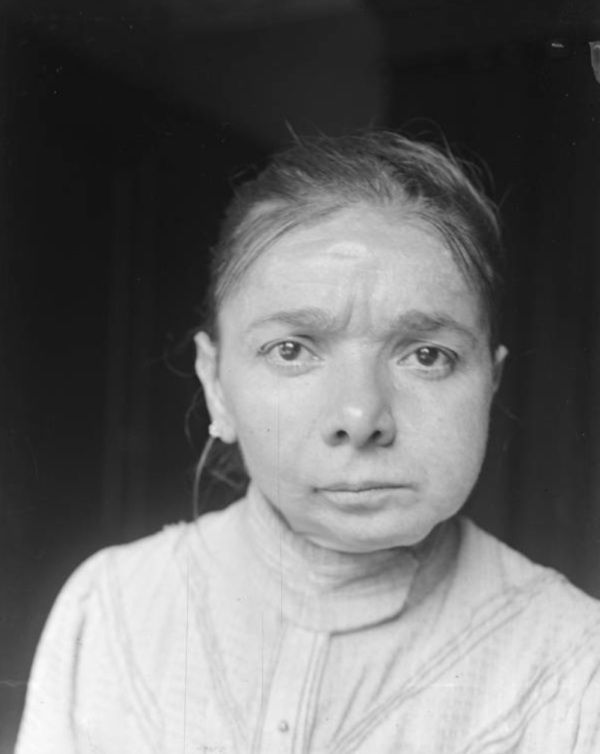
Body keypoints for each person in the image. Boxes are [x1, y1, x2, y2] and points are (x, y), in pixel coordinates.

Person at [16, 132, 600, 753]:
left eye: (427, 355)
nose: (360, 414)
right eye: (291, 350)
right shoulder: (110, 608)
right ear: (216, 384)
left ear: (490, 383)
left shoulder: (575, 662)